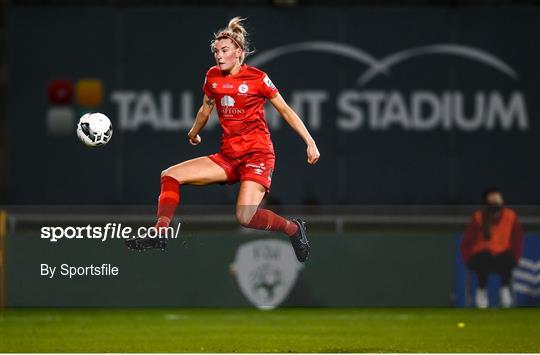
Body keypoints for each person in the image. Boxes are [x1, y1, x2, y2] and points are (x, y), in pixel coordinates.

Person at [126, 17, 320, 262]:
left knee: (245, 217)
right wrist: (194, 131)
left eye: (225, 50)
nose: (219, 55)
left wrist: (310, 141)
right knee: (170, 175)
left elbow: (286, 110)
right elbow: (206, 108)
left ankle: (293, 228)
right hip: (228, 156)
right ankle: (160, 232)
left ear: (238, 52)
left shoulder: (258, 78)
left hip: (256, 155)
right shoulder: (213, 77)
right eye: (216, 51)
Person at [460, 187, 524, 308]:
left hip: (502, 255)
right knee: (485, 257)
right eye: (492, 202)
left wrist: (516, 257)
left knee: (507, 257)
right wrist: (468, 259)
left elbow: (517, 240)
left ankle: (504, 290)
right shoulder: (478, 217)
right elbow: (467, 242)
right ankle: (481, 291)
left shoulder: (510, 216)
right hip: (482, 256)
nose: (495, 205)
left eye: (497, 201)